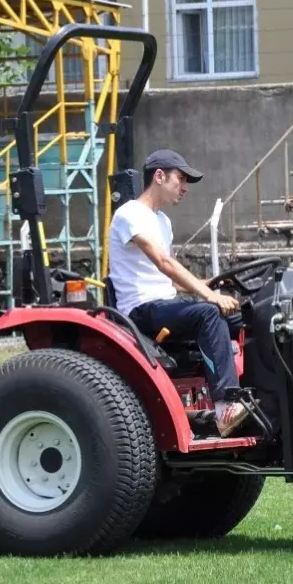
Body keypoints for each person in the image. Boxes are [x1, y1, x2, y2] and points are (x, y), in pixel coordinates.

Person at [108, 149, 249, 437]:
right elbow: (165, 263)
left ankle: (258, 398)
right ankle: (227, 407)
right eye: (180, 179)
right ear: (159, 176)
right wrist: (209, 297)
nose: (184, 188)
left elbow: (169, 279)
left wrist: (210, 284)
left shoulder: (163, 222)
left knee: (245, 316)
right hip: (141, 311)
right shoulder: (129, 214)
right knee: (210, 313)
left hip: (165, 304)